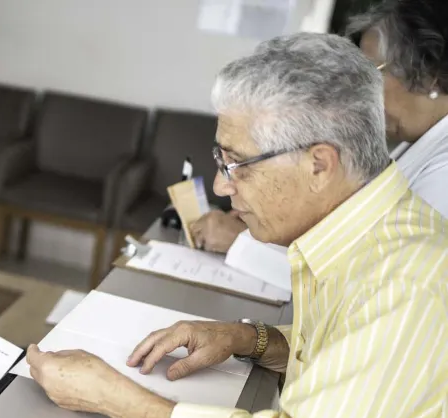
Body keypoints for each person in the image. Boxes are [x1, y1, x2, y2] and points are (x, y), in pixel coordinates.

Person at [27, 34, 448, 418]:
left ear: (319, 162)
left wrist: (117, 397)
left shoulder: (409, 278)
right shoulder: (371, 243)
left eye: (237, 163)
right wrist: (247, 338)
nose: (223, 189)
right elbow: (354, 358)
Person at [191, 0, 448, 253]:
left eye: (372, 72)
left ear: (429, 79)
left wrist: (240, 241)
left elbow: (375, 258)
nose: (357, 91)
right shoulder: (412, 140)